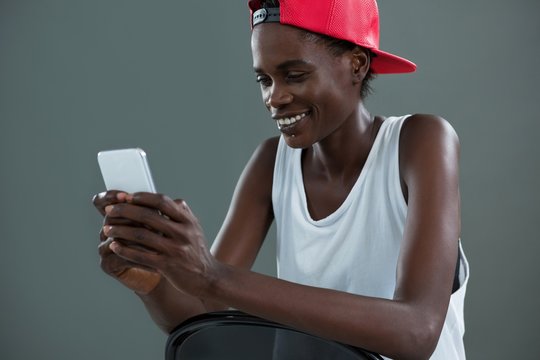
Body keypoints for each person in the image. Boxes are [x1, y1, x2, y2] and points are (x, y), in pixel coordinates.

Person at [93, 0, 469, 359]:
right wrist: (152, 281)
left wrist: (212, 276)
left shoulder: (421, 142)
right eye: (264, 79)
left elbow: (417, 330)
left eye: (294, 75)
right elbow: (203, 312)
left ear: (356, 64)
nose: (275, 97)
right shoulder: (271, 162)